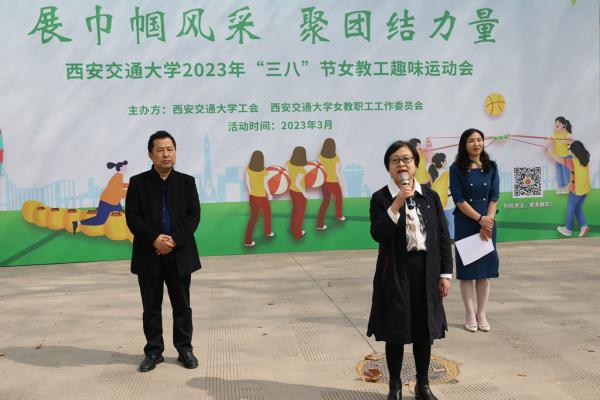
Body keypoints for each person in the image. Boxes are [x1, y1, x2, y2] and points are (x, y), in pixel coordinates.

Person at [368, 140, 452, 400]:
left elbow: (442, 235)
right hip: (395, 272)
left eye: (406, 159)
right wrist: (396, 204)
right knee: (396, 330)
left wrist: (445, 273)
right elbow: (378, 233)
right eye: (395, 160)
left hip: (426, 271)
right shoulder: (381, 198)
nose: (401, 164)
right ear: (388, 167)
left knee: (423, 331)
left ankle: (422, 385)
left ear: (415, 164)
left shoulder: (430, 196)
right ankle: (394, 386)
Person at [125, 130, 201, 372]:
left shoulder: (187, 182)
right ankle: (154, 352)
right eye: (160, 150)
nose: (166, 154)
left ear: (175, 152)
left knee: (182, 306)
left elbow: (193, 216)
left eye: (170, 149)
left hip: (180, 254)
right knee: (151, 308)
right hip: (149, 254)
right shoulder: (138, 183)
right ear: (151, 154)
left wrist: (173, 241)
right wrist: (155, 239)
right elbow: (132, 217)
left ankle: (184, 349)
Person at [449, 128, 499, 333]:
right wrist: (480, 219)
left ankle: (482, 314)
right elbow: (459, 200)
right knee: (467, 272)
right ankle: (470, 314)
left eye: (479, 140)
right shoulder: (456, 169)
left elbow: (494, 197)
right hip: (466, 223)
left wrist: (488, 221)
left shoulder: (491, 167)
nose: (476, 144)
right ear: (464, 144)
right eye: (471, 140)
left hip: (488, 224)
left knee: (484, 273)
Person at [545, 140, 591, 237]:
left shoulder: (572, 162)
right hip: (585, 190)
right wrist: (568, 143)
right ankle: (584, 226)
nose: (570, 151)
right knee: (577, 208)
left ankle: (568, 229)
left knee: (570, 210)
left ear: (574, 151)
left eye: (571, 150)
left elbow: (558, 160)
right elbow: (578, 145)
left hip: (576, 191)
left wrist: (549, 151)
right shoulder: (585, 158)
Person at [72, 160, 128, 234]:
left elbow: (118, 186)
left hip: (113, 202)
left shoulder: (118, 176)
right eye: (125, 167)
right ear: (121, 168)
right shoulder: (118, 176)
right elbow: (118, 191)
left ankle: (122, 231)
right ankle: (77, 223)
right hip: (107, 202)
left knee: (123, 214)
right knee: (99, 220)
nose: (126, 169)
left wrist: (129, 185)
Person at [244, 150, 274, 246]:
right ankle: (268, 232)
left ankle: (247, 241)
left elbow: (247, 182)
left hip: (252, 197)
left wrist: (250, 192)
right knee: (267, 214)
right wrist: (269, 194)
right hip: (261, 197)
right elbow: (265, 184)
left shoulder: (247, 169)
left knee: (253, 218)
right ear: (262, 159)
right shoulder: (264, 171)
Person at [316, 138, 345, 230]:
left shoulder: (320, 157)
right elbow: (337, 172)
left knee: (325, 202)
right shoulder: (336, 158)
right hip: (333, 182)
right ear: (333, 147)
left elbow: (319, 171)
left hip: (324, 182)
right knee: (339, 198)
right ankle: (339, 215)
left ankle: (319, 224)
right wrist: (341, 182)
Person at [287, 146, 308, 239]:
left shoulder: (288, 163)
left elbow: (288, 176)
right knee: (300, 213)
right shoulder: (302, 170)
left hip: (292, 190)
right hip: (299, 193)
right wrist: (304, 193)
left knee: (295, 210)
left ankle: (292, 228)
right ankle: (298, 233)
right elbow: (297, 183)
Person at [552, 116, 573, 194]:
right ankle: (560, 188)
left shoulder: (567, 134)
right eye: (555, 124)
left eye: (558, 125)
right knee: (559, 173)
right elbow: (551, 138)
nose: (556, 126)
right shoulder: (555, 133)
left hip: (565, 157)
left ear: (563, 125)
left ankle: (567, 188)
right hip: (557, 156)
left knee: (566, 173)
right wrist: (548, 139)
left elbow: (572, 142)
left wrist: (565, 141)